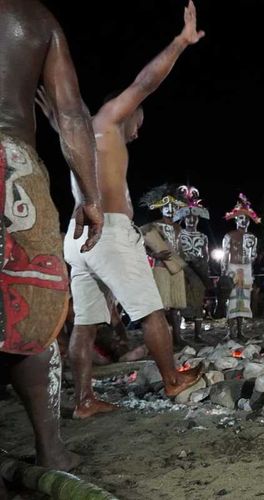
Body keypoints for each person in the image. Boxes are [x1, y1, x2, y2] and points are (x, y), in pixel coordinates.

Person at [42, 0, 204, 419]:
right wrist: (180, 42)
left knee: (85, 323)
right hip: (108, 229)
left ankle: (83, 401)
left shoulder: (73, 131)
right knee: (150, 310)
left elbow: (63, 123)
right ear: (127, 113)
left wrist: (54, 119)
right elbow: (146, 81)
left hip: (77, 237)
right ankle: (172, 380)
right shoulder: (110, 118)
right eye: (139, 121)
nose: (138, 130)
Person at [0, 0, 104, 472]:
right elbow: (71, 116)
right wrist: (91, 197)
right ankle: (50, 447)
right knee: (33, 312)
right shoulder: (34, 19)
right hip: (12, 168)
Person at [140, 184, 188, 346]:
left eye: (173, 207)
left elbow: (180, 248)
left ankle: (177, 336)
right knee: (162, 306)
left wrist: (182, 263)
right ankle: (162, 337)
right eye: (166, 207)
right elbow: (141, 245)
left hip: (176, 268)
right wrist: (155, 254)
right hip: (160, 267)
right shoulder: (152, 226)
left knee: (176, 306)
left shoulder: (178, 228)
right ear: (160, 209)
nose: (170, 210)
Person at [221, 194, 260, 337]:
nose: (243, 221)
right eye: (241, 218)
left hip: (246, 269)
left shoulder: (252, 238)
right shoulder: (229, 236)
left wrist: (250, 268)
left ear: (249, 222)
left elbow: (254, 255)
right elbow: (225, 255)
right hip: (232, 268)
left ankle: (240, 330)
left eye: (246, 219)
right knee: (231, 300)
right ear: (236, 220)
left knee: (244, 301)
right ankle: (230, 331)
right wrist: (224, 272)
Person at [174, 185, 211, 339]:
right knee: (180, 301)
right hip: (182, 270)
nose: (190, 220)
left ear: (197, 218)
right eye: (188, 217)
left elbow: (206, 256)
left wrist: (200, 263)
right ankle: (178, 335)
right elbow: (175, 253)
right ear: (184, 219)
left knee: (198, 301)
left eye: (193, 217)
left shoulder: (203, 237)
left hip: (198, 271)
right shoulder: (179, 235)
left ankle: (197, 334)